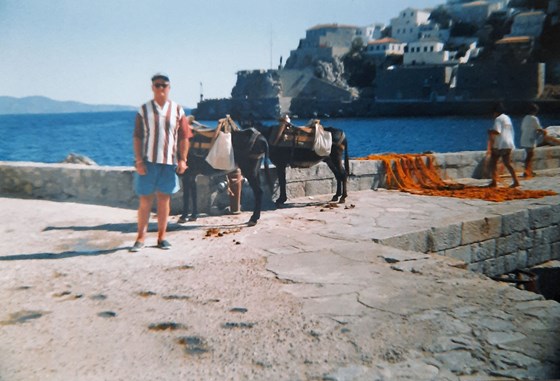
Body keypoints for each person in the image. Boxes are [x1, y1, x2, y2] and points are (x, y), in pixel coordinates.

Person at [130, 73, 192, 252]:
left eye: (164, 85)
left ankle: (161, 237)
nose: (160, 89)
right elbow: (137, 137)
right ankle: (140, 238)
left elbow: (184, 137)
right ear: (152, 88)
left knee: (164, 201)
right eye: (157, 85)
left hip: (168, 163)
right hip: (148, 162)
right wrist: (139, 161)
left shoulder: (178, 110)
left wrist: (183, 159)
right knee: (145, 202)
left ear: (169, 88)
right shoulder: (144, 110)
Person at [486, 103, 520, 188]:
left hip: (500, 144)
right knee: (507, 163)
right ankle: (516, 180)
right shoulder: (507, 118)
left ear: (496, 112)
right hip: (508, 143)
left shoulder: (498, 119)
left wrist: (490, 131)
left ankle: (494, 182)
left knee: (493, 162)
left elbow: (497, 131)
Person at [519, 103, 544, 178]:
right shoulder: (534, 118)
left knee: (528, 155)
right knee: (530, 156)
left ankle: (529, 170)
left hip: (524, 138)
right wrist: (544, 131)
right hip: (530, 139)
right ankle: (527, 171)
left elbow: (522, 128)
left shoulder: (525, 118)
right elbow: (538, 128)